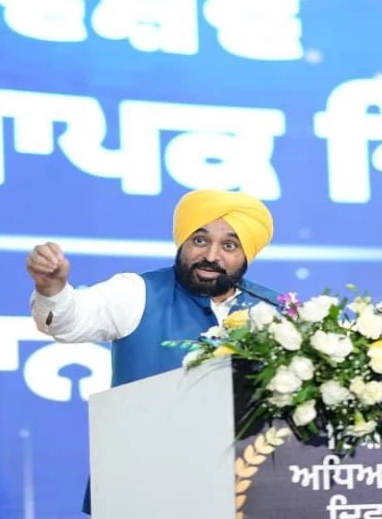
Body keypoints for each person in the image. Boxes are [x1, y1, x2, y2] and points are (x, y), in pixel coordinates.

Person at [25, 188, 283, 515]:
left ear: (247, 255)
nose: (211, 256)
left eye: (229, 246)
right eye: (200, 240)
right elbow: (69, 322)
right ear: (182, 242)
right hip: (141, 488)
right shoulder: (137, 292)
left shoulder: (273, 311)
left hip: (244, 491)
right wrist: (52, 290)